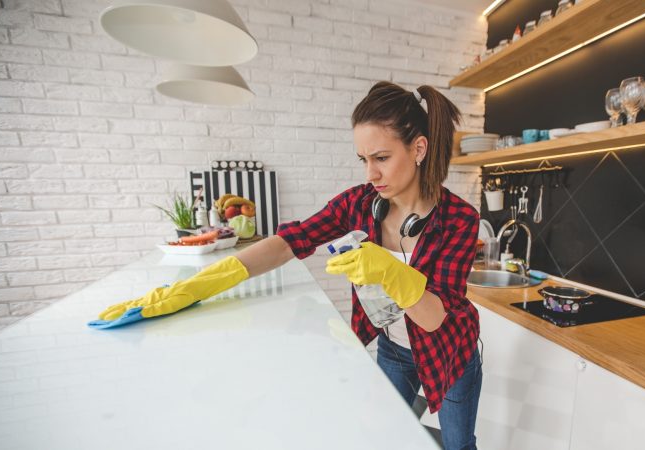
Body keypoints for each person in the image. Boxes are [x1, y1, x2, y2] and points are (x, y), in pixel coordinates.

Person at [95, 81, 482, 449]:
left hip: (450, 352)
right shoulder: (361, 204)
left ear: (418, 148)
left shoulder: (459, 219)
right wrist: (198, 285)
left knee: (457, 443)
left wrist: (391, 270)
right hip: (393, 348)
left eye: (381, 158)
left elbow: (434, 319)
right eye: (363, 159)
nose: (370, 174)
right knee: (377, 436)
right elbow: (288, 242)